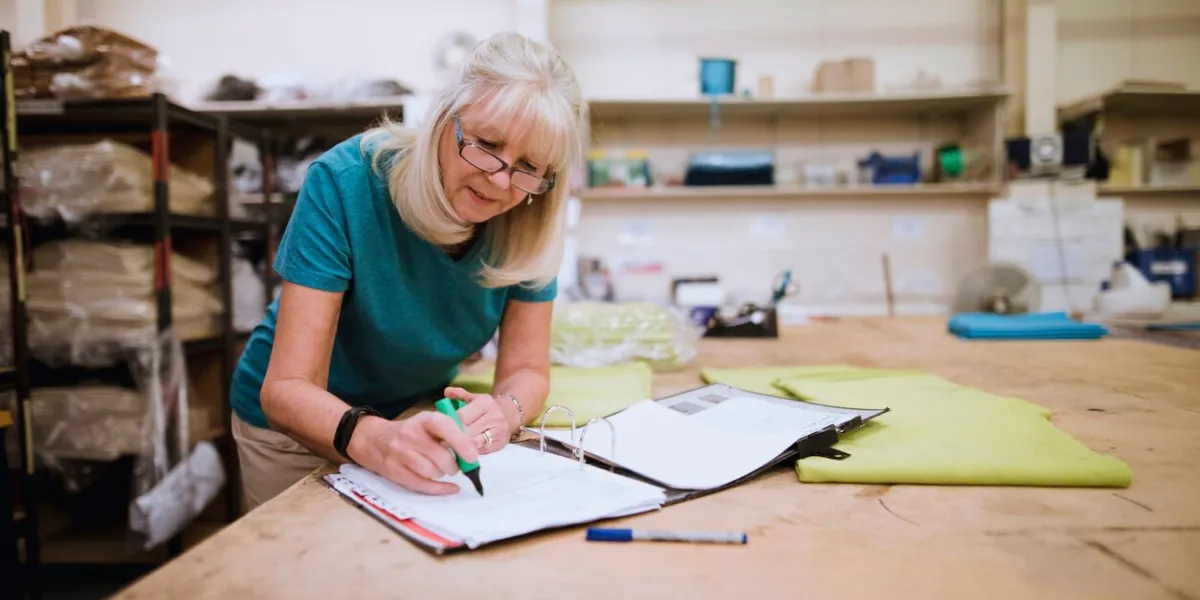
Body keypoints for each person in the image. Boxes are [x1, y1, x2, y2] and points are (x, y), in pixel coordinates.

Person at [228, 31, 584, 512]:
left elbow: (525, 368)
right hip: (294, 432)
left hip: (410, 416)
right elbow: (287, 390)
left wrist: (506, 412)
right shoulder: (348, 181)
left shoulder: (529, 218)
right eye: (486, 144)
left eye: (527, 166)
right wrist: (374, 440)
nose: (500, 181)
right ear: (443, 119)